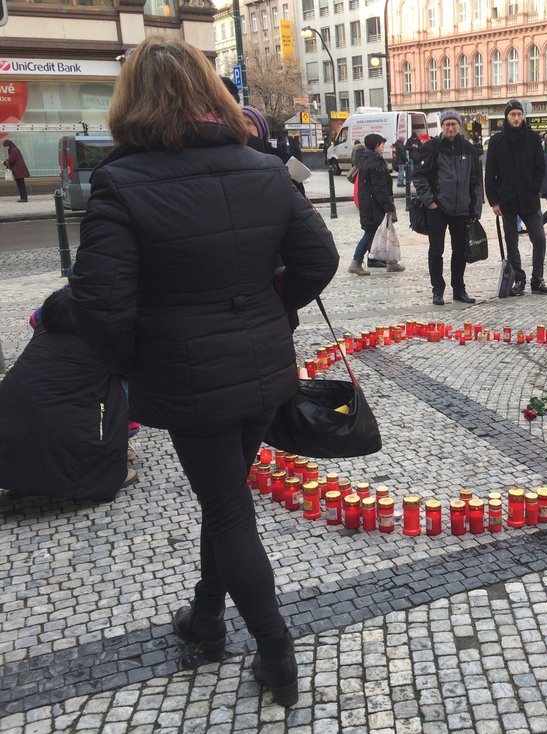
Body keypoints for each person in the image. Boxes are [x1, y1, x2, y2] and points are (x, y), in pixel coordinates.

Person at [68, 37, 339, 707]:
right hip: (261, 365)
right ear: (209, 93)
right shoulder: (261, 168)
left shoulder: (121, 181)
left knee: (225, 507)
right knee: (225, 502)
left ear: (131, 100)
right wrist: (268, 308)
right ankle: (205, 617)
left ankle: (275, 651)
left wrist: (135, 359)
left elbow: (100, 304)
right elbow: (318, 259)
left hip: (191, 377)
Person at [0, 288, 133, 501]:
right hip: (75, 470)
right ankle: (110, 461)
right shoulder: (98, 347)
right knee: (118, 385)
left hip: (9, 466)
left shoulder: (38, 344)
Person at [413, 108, 483, 305]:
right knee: (436, 251)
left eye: (454, 124)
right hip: (438, 209)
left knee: (460, 251)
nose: (450, 127)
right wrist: (430, 202)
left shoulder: (469, 149)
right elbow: (419, 176)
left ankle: (458, 289)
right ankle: (438, 290)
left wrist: (475, 208)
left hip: (462, 209)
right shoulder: (432, 147)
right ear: (442, 126)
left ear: (459, 126)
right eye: (447, 124)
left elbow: (477, 180)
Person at [485, 99, 547, 295]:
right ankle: (519, 279)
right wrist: (494, 201)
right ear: (506, 118)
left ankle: (537, 280)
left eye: (518, 114)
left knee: (539, 238)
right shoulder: (497, 141)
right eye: (512, 115)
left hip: (529, 199)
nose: (516, 118)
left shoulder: (533, 139)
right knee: (511, 241)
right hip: (507, 200)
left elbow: (540, 168)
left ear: (522, 116)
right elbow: (490, 174)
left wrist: (533, 188)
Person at [349, 133, 403, 275]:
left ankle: (391, 262)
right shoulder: (375, 162)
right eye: (381, 144)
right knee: (371, 233)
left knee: (385, 231)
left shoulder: (366, 160)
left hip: (369, 203)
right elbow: (379, 188)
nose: (383, 147)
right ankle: (356, 262)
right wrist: (388, 207)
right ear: (375, 146)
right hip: (374, 205)